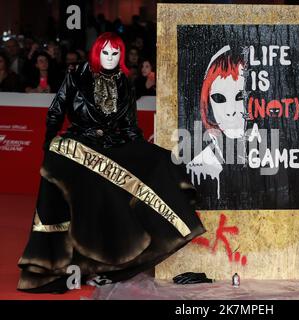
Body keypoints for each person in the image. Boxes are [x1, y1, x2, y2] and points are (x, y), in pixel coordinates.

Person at [17, 32, 205, 293]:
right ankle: (77, 263)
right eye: (105, 52)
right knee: (86, 190)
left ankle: (121, 256)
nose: (110, 57)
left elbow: (129, 126)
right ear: (96, 53)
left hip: (111, 145)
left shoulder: (125, 82)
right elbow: (56, 111)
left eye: (115, 53)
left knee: (162, 159)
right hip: (79, 144)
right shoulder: (76, 75)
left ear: (121, 55)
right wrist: (48, 143)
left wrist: (141, 148)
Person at [186, 45, 247, 200]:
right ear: (207, 103)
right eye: (219, 98)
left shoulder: (275, 157)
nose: (230, 110)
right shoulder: (200, 169)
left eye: (240, 96)